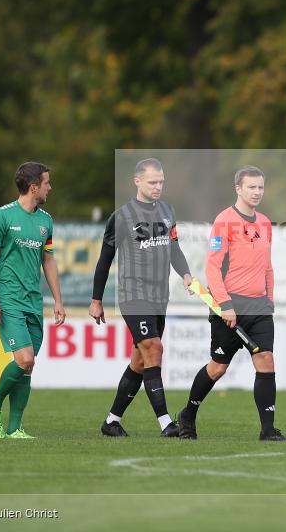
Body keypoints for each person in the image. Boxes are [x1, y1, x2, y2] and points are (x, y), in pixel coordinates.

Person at [176, 166, 286, 441]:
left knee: (265, 361)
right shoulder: (224, 221)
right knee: (218, 367)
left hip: (259, 307)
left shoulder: (264, 223)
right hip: (228, 306)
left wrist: (270, 299)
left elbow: (267, 267)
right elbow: (213, 268)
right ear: (238, 189)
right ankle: (188, 415)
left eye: (260, 187)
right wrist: (226, 305)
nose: (256, 192)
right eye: (251, 187)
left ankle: (267, 430)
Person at [89, 158, 192, 438]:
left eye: (161, 182)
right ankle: (166, 423)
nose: (158, 187)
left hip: (160, 297)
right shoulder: (122, 216)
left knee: (140, 360)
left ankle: (111, 422)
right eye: (152, 182)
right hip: (133, 295)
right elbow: (104, 260)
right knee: (154, 348)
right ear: (137, 182)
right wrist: (96, 299)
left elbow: (174, 250)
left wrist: (185, 274)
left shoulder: (168, 211)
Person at [0, 162, 65, 440]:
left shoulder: (46, 221)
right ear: (34, 187)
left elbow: (48, 260)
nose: (50, 188)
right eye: (47, 183)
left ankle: (15, 428)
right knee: (24, 358)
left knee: (28, 367)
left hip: (33, 301)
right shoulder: (2, 216)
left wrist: (58, 300)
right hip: (8, 299)